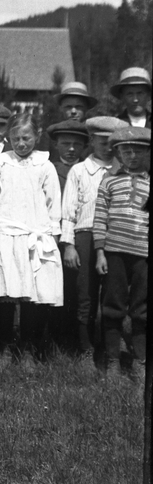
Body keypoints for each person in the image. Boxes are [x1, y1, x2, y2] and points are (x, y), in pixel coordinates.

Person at [0, 112, 63, 364]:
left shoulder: (45, 165)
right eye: (16, 138)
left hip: (34, 237)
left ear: (37, 136)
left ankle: (28, 348)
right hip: (5, 235)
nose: (21, 144)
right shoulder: (0, 163)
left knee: (32, 297)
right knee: (6, 296)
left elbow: (54, 205)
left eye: (26, 138)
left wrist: (52, 237)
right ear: (9, 138)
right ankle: (5, 348)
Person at [61, 115, 125, 361]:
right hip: (85, 236)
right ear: (92, 141)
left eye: (112, 142)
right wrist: (69, 246)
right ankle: (86, 349)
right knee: (85, 294)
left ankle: (110, 352)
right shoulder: (80, 170)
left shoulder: (122, 171)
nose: (107, 147)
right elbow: (69, 211)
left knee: (112, 294)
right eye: (101, 142)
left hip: (115, 237)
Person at [93, 125, 149, 380]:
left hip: (143, 254)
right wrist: (101, 252)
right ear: (118, 153)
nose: (133, 157)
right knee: (113, 306)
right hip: (114, 252)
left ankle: (140, 360)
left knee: (141, 308)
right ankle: (113, 360)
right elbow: (100, 218)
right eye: (126, 151)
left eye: (138, 151)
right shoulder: (109, 181)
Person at [38, 82, 97, 154]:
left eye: (79, 107)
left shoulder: (94, 137)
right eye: (68, 107)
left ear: (86, 108)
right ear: (61, 108)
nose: (73, 111)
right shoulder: (49, 136)